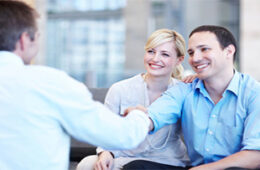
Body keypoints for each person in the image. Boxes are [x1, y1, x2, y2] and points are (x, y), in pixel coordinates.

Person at [0, 1, 151, 170]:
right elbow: (125, 136)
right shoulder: (49, 83)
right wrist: (139, 115)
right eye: (37, 36)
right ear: (24, 40)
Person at [123, 25, 260, 170]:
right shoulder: (185, 89)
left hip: (231, 168)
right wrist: (140, 118)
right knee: (137, 167)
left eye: (204, 49)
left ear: (229, 51)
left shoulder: (254, 93)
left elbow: (255, 156)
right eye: (191, 52)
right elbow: (156, 113)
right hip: (194, 167)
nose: (196, 58)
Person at [76, 29, 192, 170]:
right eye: (151, 51)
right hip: (124, 157)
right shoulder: (120, 89)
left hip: (166, 161)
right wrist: (106, 153)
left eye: (165, 54)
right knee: (87, 165)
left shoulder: (183, 92)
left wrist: (199, 78)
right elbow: (107, 131)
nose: (155, 59)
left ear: (179, 60)